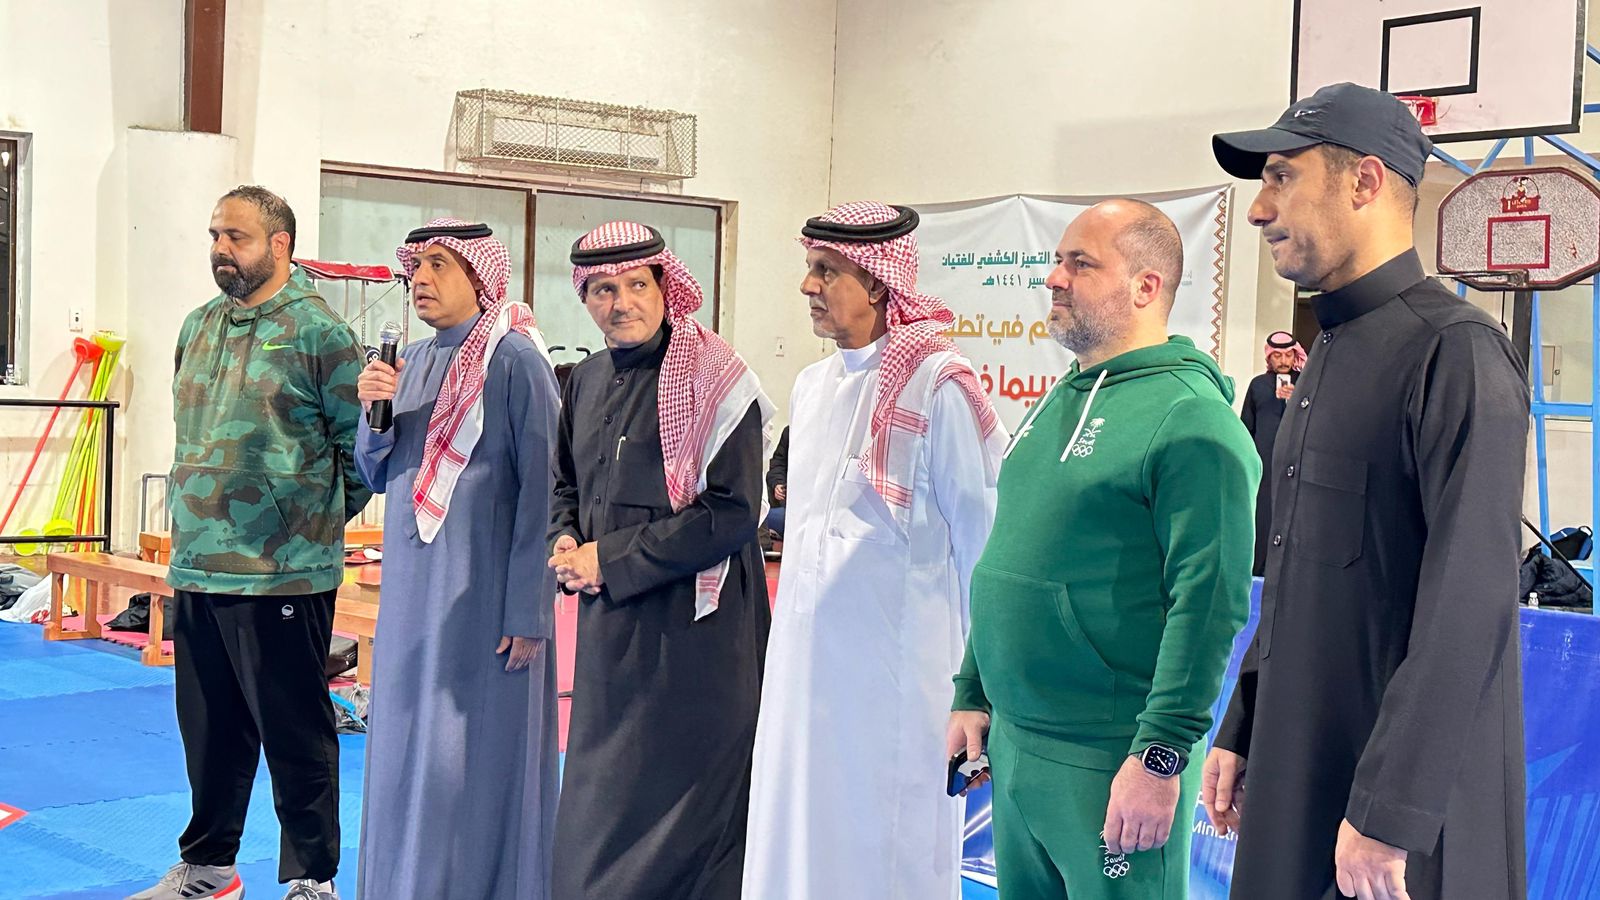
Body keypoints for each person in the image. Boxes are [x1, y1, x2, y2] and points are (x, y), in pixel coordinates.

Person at [1206, 82, 1530, 900]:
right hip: (1298, 775)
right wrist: (1244, 720)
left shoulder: (1455, 353)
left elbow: (1469, 605)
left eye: (1282, 177)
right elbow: (1296, 573)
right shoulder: (1328, 354)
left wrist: (1391, 811)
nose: (1259, 209)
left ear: (1365, 181)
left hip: (1395, 826)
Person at [947, 199, 1259, 899]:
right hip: (1017, 745)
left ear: (1146, 286)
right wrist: (973, 690)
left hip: (1110, 758)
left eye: (1080, 263)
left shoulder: (1193, 421)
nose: (1054, 278)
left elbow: (1209, 604)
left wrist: (1159, 757)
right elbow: (1008, 556)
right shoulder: (1061, 396)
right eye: (1057, 260)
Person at [742, 202, 1008, 900]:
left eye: (827, 272)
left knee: (888, 843)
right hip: (804, 671)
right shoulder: (813, 386)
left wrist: (982, 684)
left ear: (880, 283)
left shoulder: (940, 385)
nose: (808, 286)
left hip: (899, 679)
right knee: (800, 827)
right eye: (810, 268)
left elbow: (983, 542)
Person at [135, 186, 370, 900]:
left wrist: (302, 524)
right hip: (198, 565)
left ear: (279, 244)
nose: (220, 249)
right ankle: (208, 869)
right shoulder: (198, 326)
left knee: (296, 735)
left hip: (282, 574)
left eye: (235, 237)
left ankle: (313, 879)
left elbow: (360, 456)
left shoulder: (320, 334)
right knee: (209, 733)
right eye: (215, 235)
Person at [548, 221, 773, 900]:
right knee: (604, 800)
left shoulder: (716, 379)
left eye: (636, 285)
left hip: (699, 634)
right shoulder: (586, 380)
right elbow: (566, 484)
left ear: (664, 287)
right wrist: (565, 538)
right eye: (603, 290)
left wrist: (610, 558)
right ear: (585, 298)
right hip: (612, 630)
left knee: (695, 811)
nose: (622, 303)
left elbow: (732, 513)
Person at [353, 219, 560, 900]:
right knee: (405, 745)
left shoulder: (515, 360)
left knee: (471, 759)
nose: (421, 279)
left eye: (439, 264)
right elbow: (375, 473)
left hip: (484, 597)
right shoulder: (407, 363)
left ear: (479, 276)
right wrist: (374, 410)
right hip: (411, 592)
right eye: (416, 266)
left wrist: (529, 609)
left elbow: (544, 490)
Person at [1240, 331, 1307, 575]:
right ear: (1269, 357)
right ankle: (1259, 571)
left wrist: (1298, 397)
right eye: (1277, 355)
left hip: (1298, 463)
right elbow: (1247, 426)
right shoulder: (1258, 385)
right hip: (1265, 465)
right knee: (1263, 515)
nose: (1283, 361)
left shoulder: (1307, 383)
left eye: (1288, 355)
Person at [763, 425, 789, 535]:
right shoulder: (790, 431)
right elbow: (778, 464)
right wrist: (778, 483)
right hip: (784, 503)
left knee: (759, 518)